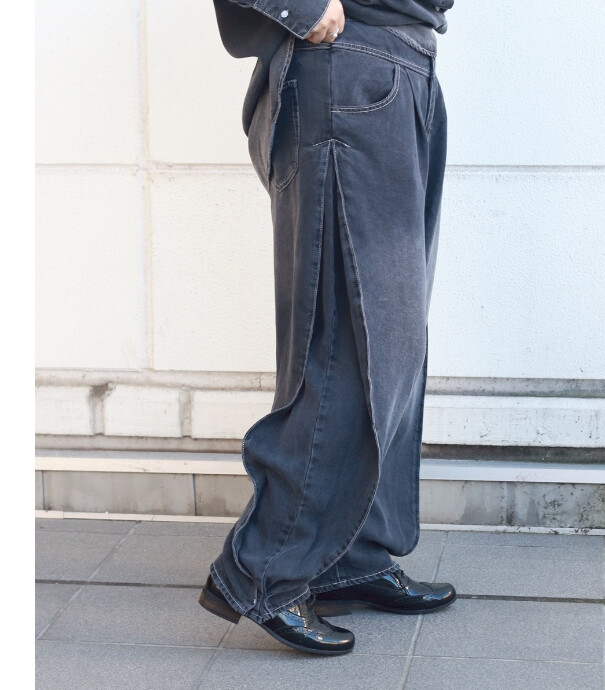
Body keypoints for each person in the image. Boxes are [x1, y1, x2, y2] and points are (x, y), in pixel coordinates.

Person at [199, 0, 456, 656]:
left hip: (401, 66)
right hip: (349, 71)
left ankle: (348, 551)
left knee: (392, 340)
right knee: (345, 338)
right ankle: (264, 570)